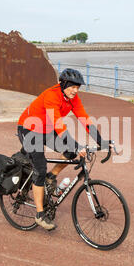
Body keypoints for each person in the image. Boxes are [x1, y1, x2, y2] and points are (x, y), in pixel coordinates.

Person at [17, 68, 110, 231]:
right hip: (29, 129)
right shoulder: (52, 96)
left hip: (47, 129)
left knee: (70, 153)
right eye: (72, 87)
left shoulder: (73, 98)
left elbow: (84, 119)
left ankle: (51, 177)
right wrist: (76, 144)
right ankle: (39, 215)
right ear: (64, 84)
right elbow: (59, 125)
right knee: (39, 167)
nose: (75, 90)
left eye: (78, 87)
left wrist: (102, 141)